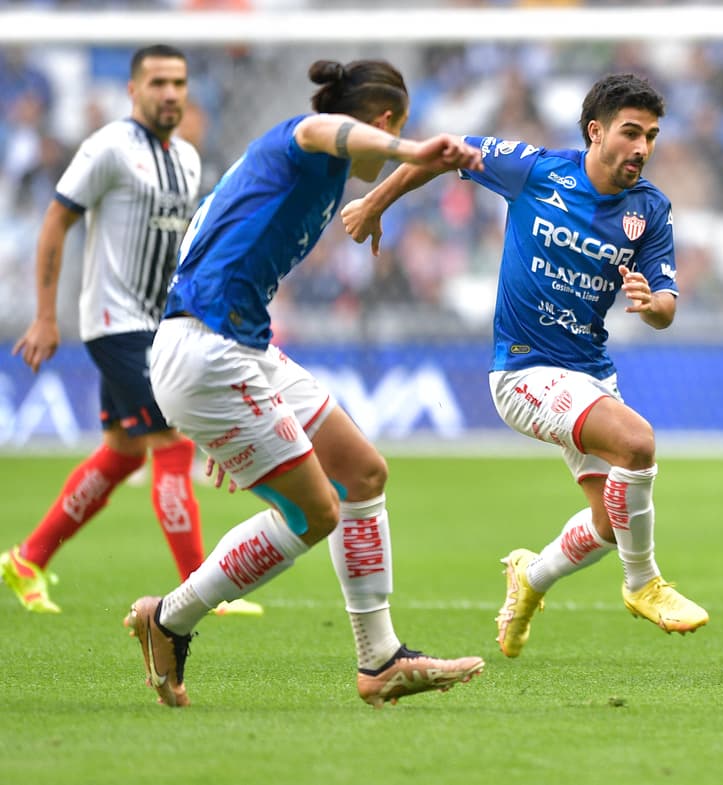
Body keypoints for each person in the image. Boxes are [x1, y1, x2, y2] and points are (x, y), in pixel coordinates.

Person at [122, 58, 486, 708]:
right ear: (383, 121)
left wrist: (414, 171)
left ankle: (381, 659)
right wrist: (405, 146)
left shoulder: (310, 174)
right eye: (395, 129)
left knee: (362, 471)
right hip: (208, 351)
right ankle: (169, 617)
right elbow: (330, 134)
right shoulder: (305, 137)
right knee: (315, 512)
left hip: (237, 347)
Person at [342, 73, 708, 658]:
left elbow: (666, 305)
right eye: (630, 132)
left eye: (652, 136)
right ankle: (644, 584)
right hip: (521, 371)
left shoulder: (651, 210)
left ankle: (530, 578)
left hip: (590, 372)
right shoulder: (537, 170)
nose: (642, 147)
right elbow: (445, 151)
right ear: (596, 131)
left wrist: (652, 304)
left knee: (613, 523)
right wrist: (374, 201)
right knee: (637, 443)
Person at [3, 44, 260, 618]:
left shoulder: (187, 160)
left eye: (178, 82)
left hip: (160, 326)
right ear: (133, 90)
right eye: (158, 82)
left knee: (121, 453)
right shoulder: (108, 148)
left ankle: (28, 559)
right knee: (170, 442)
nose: (170, 93)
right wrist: (46, 315)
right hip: (115, 325)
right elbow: (56, 219)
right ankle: (199, 586)